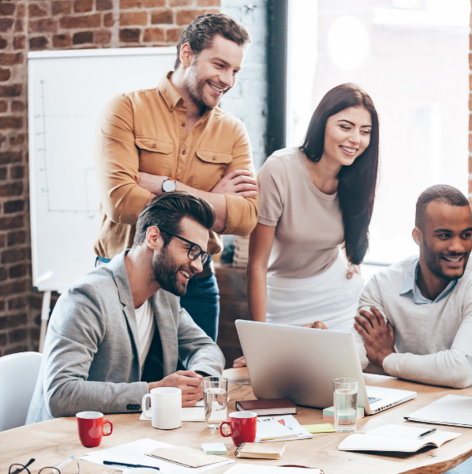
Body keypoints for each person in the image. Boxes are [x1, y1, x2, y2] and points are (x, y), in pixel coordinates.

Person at [92, 13, 260, 341]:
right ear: (187, 54)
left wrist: (169, 187)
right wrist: (214, 199)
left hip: (194, 283)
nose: (228, 79)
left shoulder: (233, 132)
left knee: (196, 383)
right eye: (220, 65)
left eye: (235, 71)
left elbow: (246, 218)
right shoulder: (125, 110)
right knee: (124, 387)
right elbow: (121, 201)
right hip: (123, 278)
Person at [26, 192, 225, 424]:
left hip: (119, 436)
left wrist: (197, 380)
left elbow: (205, 347)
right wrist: (154, 392)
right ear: (154, 238)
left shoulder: (164, 296)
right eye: (191, 251)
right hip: (61, 443)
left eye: (202, 255)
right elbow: (61, 394)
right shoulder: (88, 298)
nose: (199, 266)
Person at [353, 185, 472, 474]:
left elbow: (461, 370)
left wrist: (387, 360)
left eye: (466, 234)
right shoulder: (382, 285)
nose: (458, 247)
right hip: (400, 422)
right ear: (418, 237)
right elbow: (353, 359)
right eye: (444, 235)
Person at [246, 83, 378, 332]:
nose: (355, 139)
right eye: (345, 127)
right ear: (322, 124)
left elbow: (353, 233)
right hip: (282, 297)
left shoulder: (357, 178)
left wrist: (353, 263)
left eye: (365, 131)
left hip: (336, 296)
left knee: (344, 368)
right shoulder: (280, 169)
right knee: (280, 370)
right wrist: (257, 336)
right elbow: (256, 265)